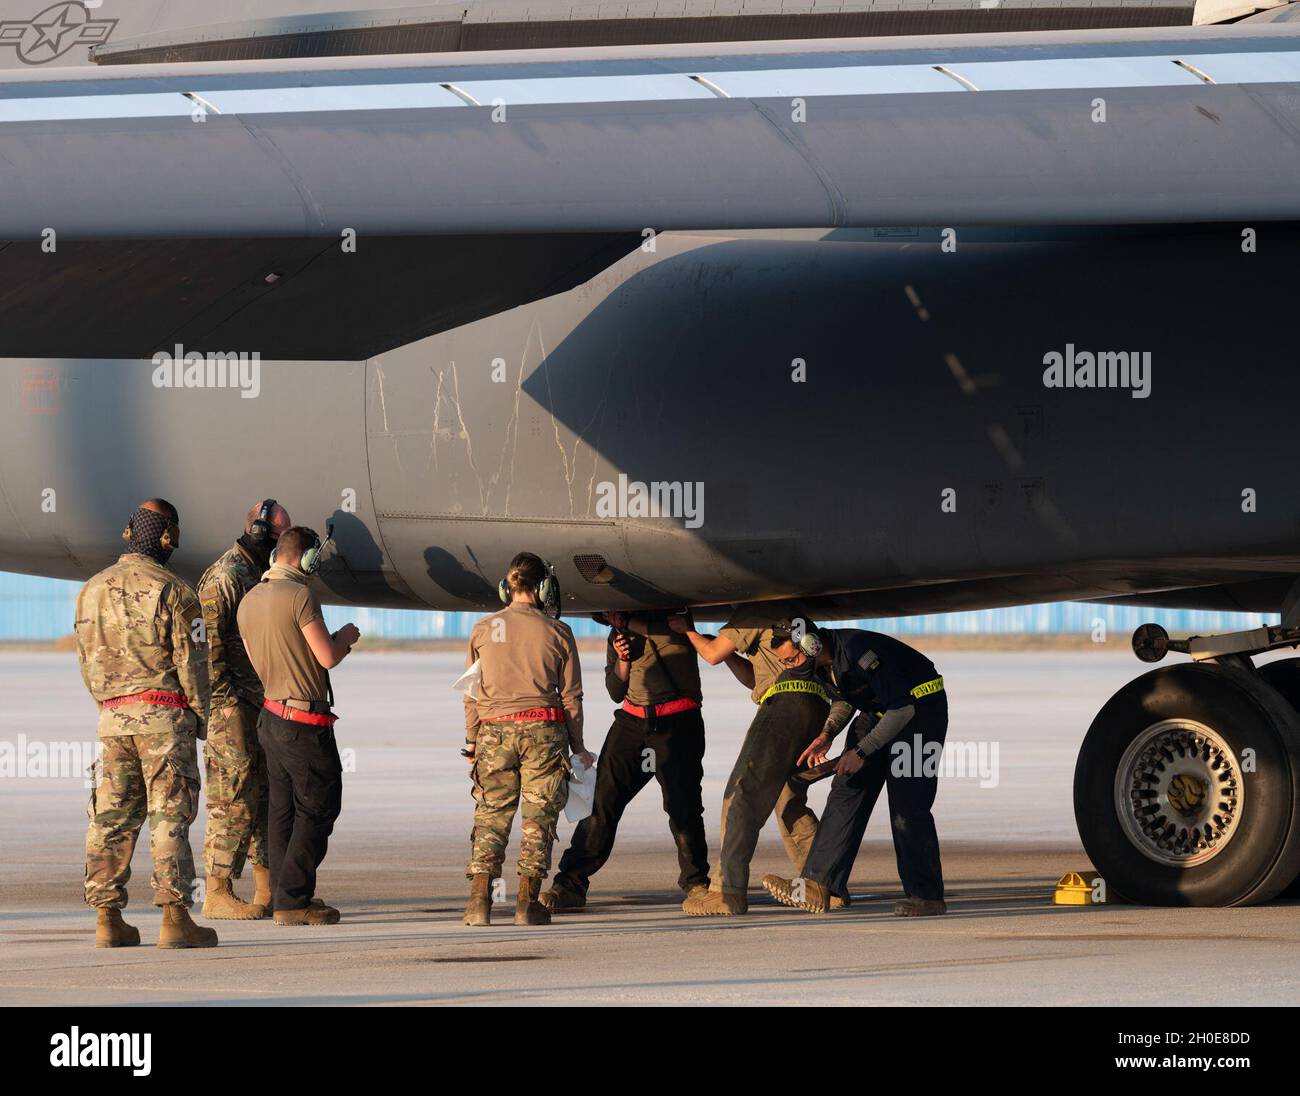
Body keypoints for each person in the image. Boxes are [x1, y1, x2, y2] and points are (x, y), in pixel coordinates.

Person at [76, 499, 217, 949]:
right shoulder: (176, 590)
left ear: (126, 533)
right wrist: (200, 718)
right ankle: (176, 919)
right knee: (169, 816)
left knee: (111, 817)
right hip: (164, 719)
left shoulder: (90, 590)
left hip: (113, 718)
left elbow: (86, 661)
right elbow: (193, 664)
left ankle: (107, 919)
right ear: (169, 537)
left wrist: (111, 706)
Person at [671, 602, 844, 915]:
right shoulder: (786, 611)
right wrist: (730, 655)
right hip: (814, 707)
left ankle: (728, 892)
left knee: (742, 794)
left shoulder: (751, 610)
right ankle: (825, 884)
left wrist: (689, 632)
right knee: (788, 802)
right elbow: (755, 679)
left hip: (785, 706)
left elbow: (710, 654)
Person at [762, 627, 949, 916]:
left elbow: (902, 709)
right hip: (877, 714)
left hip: (920, 714)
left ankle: (927, 896)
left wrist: (862, 752)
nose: (790, 666)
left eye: (791, 659)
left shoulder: (858, 651)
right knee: (845, 791)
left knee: (907, 807)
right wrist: (827, 734)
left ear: (811, 646)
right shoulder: (824, 664)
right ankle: (817, 884)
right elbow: (846, 697)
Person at [543, 610, 710, 913]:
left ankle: (697, 886)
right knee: (602, 802)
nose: (610, 620)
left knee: (682, 806)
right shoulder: (617, 637)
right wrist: (623, 659)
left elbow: (666, 632)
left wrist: (625, 621)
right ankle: (570, 884)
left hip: (677, 724)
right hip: (632, 725)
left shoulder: (672, 622)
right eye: (606, 617)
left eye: (612, 615)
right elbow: (615, 691)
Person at [462, 552, 594, 927]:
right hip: (543, 732)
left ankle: (478, 903)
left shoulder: (484, 629)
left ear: (508, 587)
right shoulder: (559, 632)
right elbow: (572, 698)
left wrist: (472, 742)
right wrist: (578, 745)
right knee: (538, 819)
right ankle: (526, 904)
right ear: (543, 588)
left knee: (491, 815)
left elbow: (471, 693)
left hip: (493, 732)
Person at [237, 525, 359, 925]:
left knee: (282, 810)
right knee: (320, 806)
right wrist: (345, 637)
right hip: (304, 723)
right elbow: (326, 657)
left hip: (271, 716)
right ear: (306, 558)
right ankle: (294, 899)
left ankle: (281, 893)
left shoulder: (249, 598)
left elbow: (257, 664)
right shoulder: (301, 595)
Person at [197, 498, 291, 920]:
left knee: (265, 795)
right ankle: (217, 890)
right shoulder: (225, 577)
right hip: (231, 706)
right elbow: (209, 652)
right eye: (277, 534)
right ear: (258, 531)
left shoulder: (258, 575)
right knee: (232, 796)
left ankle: (267, 888)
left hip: (260, 703)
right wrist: (225, 709)